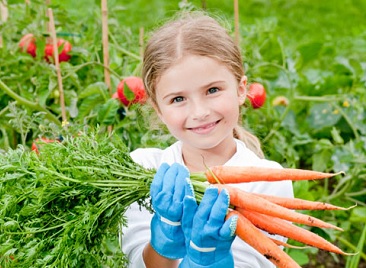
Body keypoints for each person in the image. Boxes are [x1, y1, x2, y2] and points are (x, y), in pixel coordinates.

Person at [121, 11, 294, 268]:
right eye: (178, 99)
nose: (200, 112)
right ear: (158, 108)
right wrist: (164, 241)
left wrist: (208, 261)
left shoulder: (268, 182)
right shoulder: (142, 169)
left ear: (241, 89)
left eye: (212, 90)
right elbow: (136, 263)